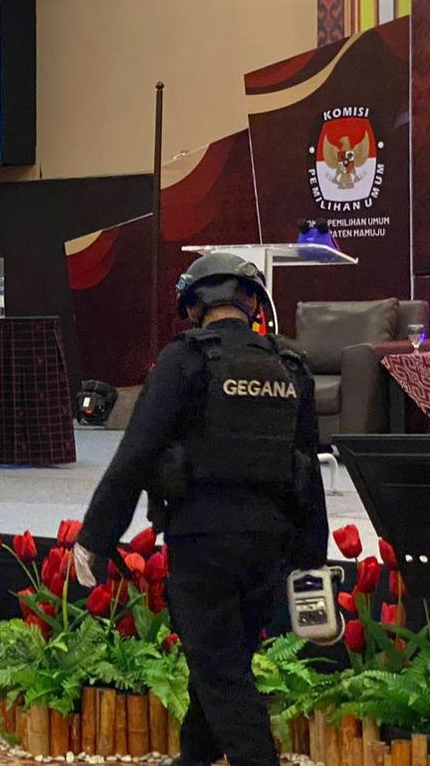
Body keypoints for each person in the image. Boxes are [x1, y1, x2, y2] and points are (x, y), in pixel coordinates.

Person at [72, 253, 326, 766]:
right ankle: (195, 758)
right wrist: (312, 557)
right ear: (253, 301)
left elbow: (136, 455)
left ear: (193, 307)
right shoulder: (291, 365)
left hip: (203, 543)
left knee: (221, 672)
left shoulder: (182, 361)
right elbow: (308, 469)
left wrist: (95, 538)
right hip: (270, 546)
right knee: (222, 661)